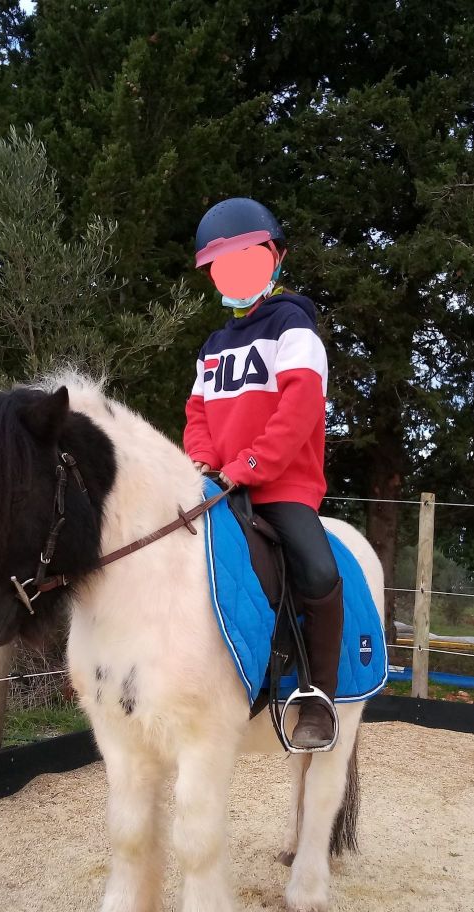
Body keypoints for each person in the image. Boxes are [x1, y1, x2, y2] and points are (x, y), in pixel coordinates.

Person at [184, 197, 342, 749]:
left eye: (247, 260)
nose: (234, 274)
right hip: (218, 485)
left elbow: (299, 410)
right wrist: (203, 460)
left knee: (318, 571)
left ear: (277, 258)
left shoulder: (295, 327)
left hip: (280, 486)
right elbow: (197, 414)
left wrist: (249, 465)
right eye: (222, 267)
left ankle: (318, 697)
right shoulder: (212, 346)